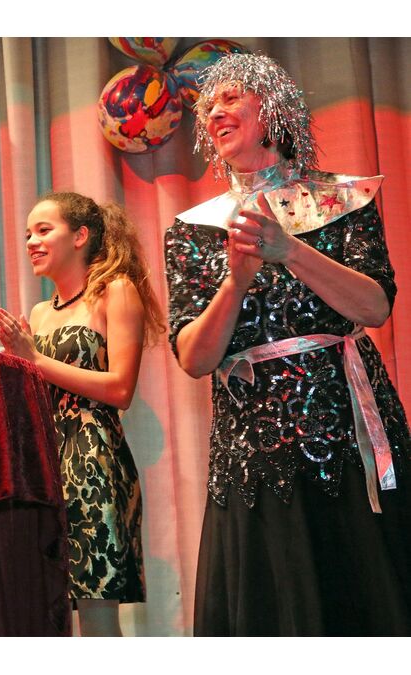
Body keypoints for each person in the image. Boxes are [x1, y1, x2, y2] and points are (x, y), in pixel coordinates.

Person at [164, 52, 411, 635]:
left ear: (272, 108)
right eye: (209, 105)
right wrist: (235, 283)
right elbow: (195, 359)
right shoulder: (193, 228)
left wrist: (290, 250)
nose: (214, 112)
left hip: (345, 435)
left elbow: (375, 307)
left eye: (230, 98)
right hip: (253, 448)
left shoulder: (341, 200)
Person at [0, 191, 165, 636]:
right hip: (44, 464)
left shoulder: (115, 292)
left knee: (96, 613)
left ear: (80, 236)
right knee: (48, 608)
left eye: (43, 230)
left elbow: (121, 389)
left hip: (93, 460)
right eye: (27, 234)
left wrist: (34, 359)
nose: (31, 241)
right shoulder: (39, 313)